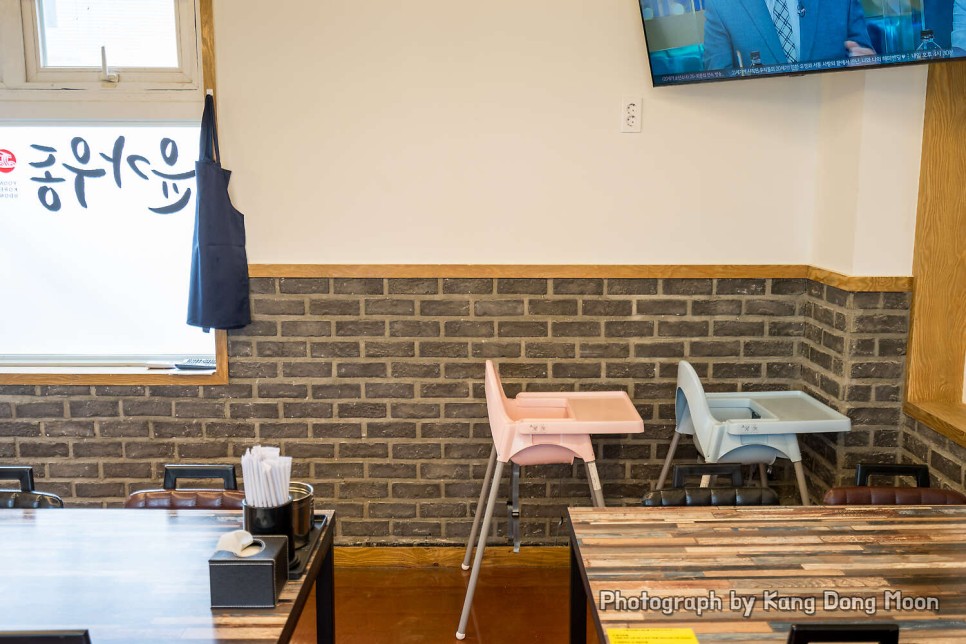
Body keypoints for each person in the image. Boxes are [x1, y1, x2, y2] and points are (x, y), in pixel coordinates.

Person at [703, 0, 875, 71]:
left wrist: (870, 66)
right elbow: (716, 88)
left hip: (835, 123)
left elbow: (863, 54)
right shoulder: (721, 5)